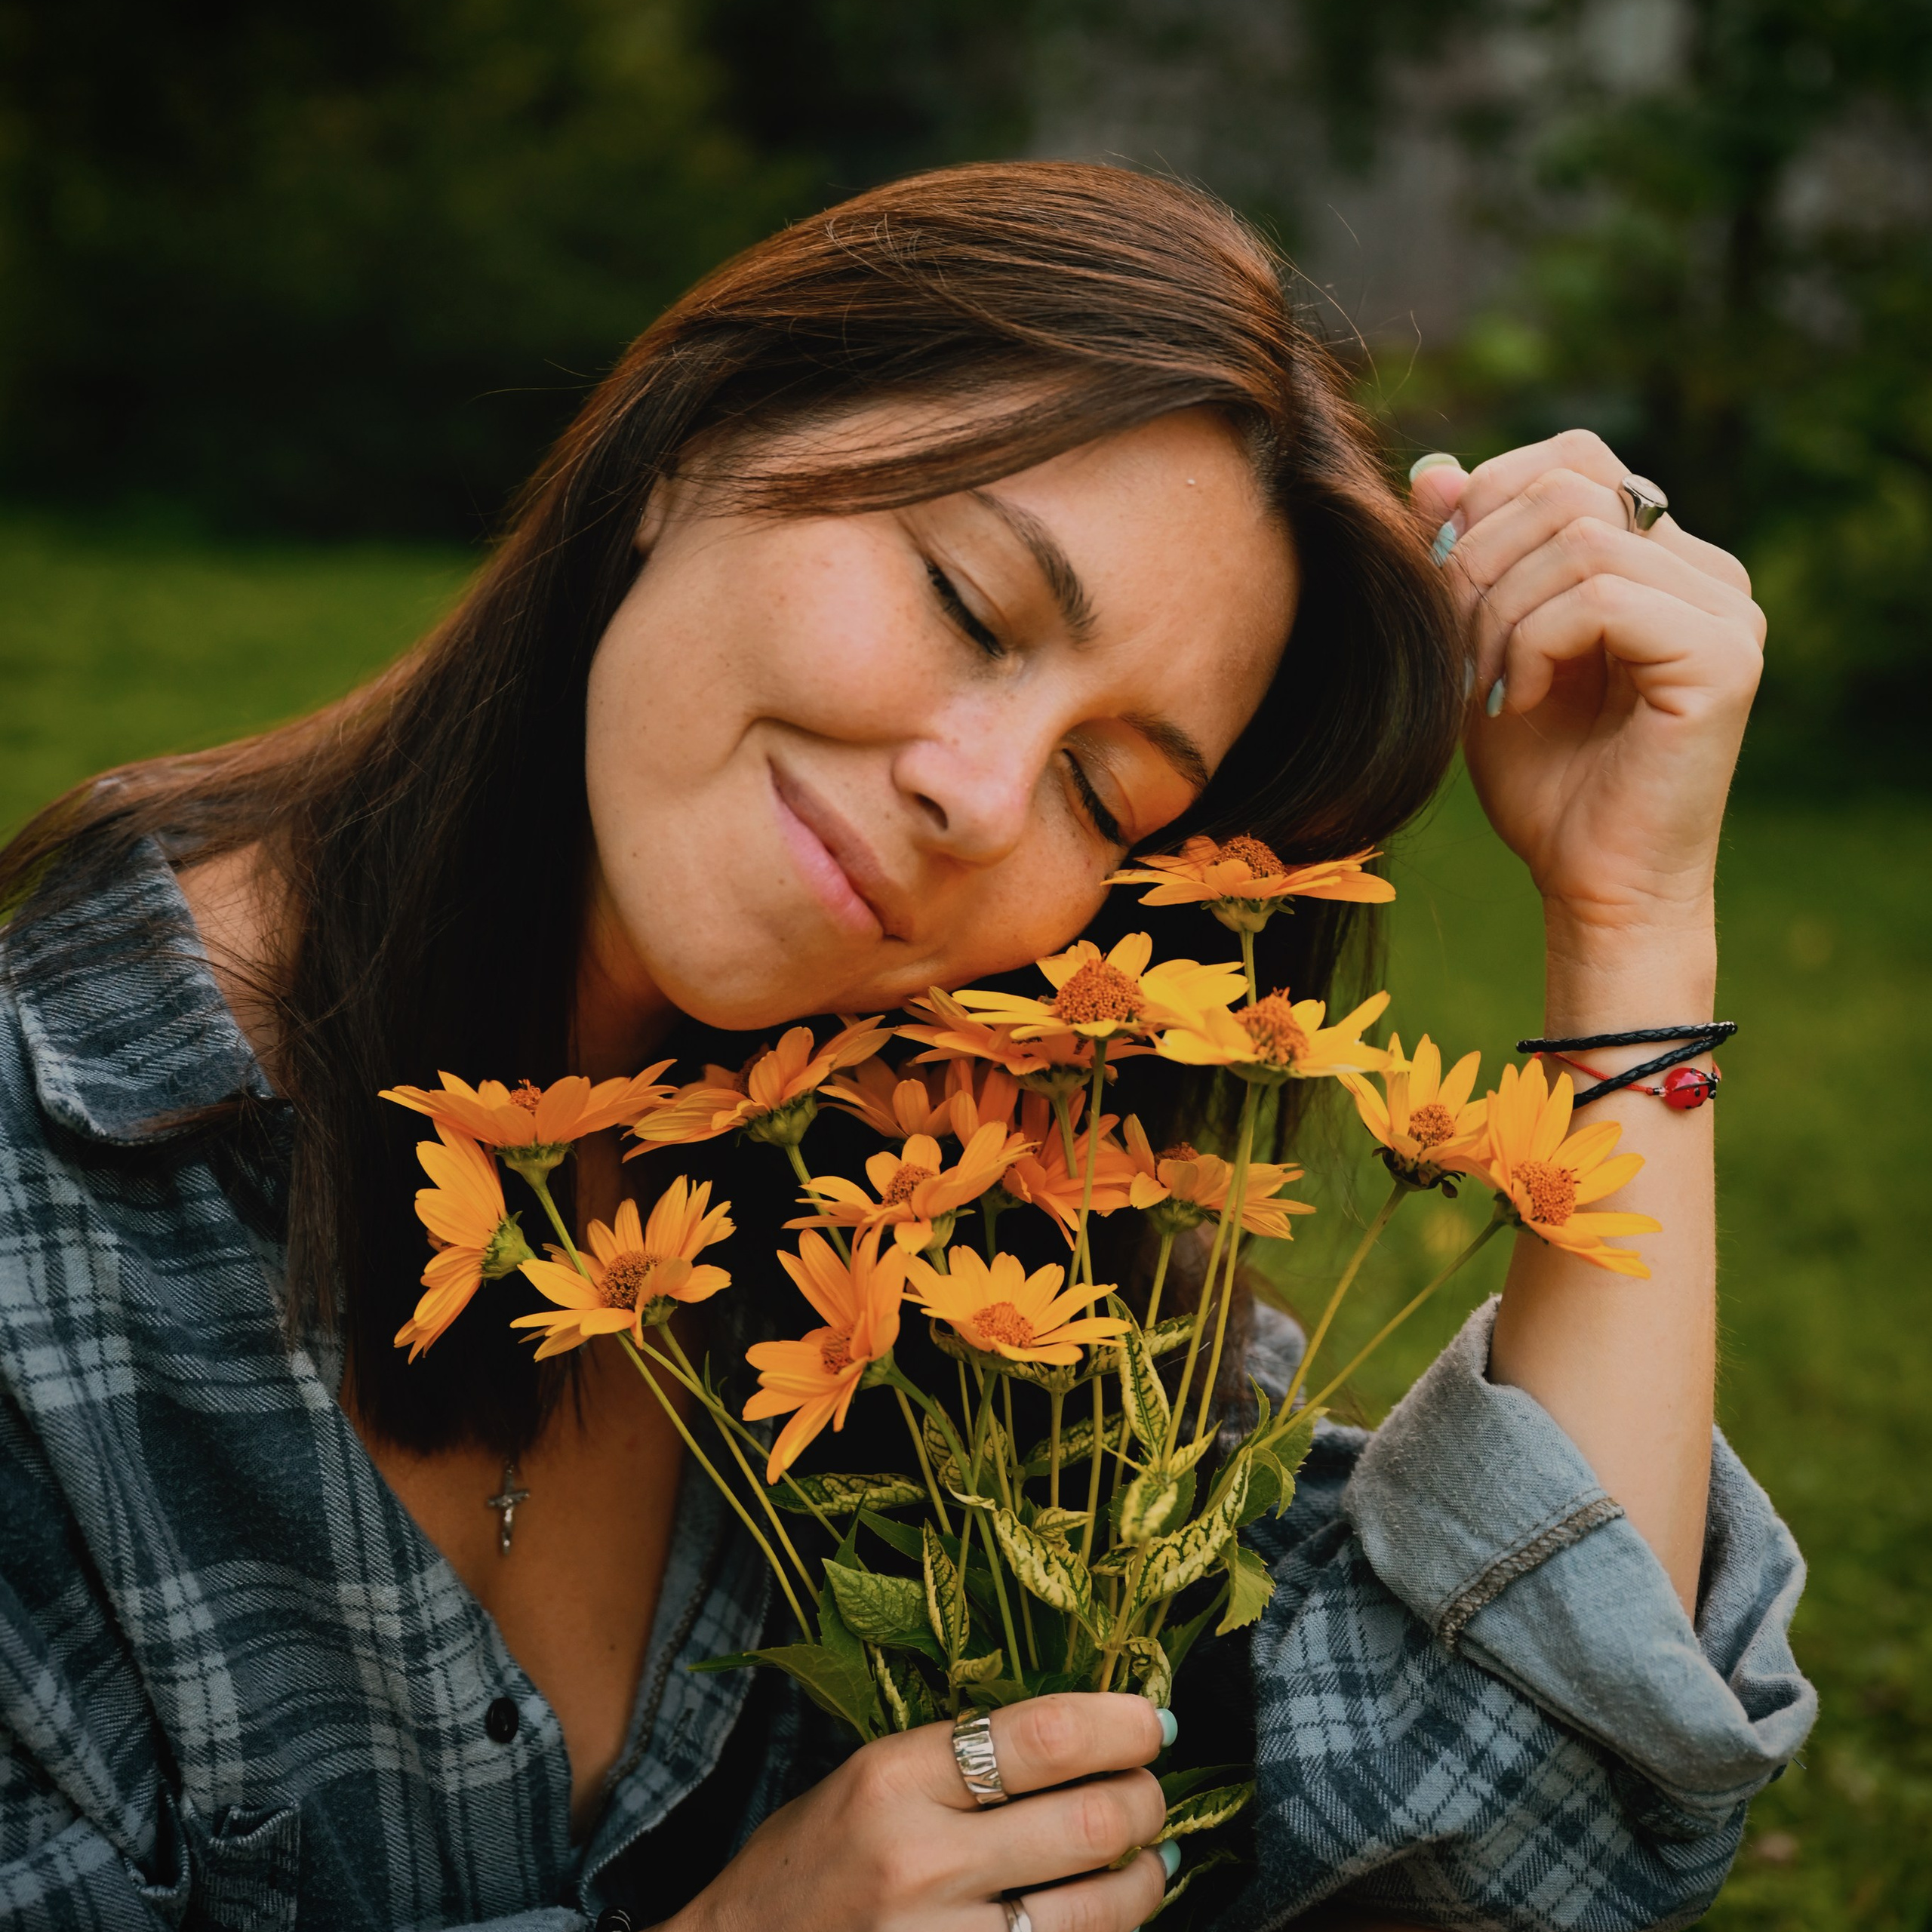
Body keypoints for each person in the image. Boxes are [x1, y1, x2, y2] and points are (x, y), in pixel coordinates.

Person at [0, 162, 1811, 1932]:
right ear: (696, 443)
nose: (974, 791)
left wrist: (1625, 911)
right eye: (964, 602)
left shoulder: (962, 1236)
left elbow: (1513, 1819)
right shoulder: (46, 1207)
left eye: (1106, 788)